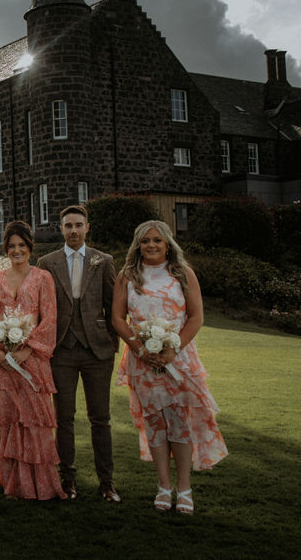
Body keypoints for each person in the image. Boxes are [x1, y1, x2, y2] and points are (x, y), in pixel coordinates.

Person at [113, 220, 227, 515]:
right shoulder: (127, 275)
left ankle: (185, 489)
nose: (151, 245)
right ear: (137, 245)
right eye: (145, 241)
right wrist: (140, 349)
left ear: (167, 244)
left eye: (157, 241)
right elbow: (117, 318)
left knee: (180, 424)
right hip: (142, 362)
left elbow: (196, 317)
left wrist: (172, 350)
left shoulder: (182, 274)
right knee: (155, 425)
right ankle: (164, 487)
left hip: (179, 360)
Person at [36, 205, 122, 502]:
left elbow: (114, 307)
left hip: (98, 351)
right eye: (68, 225)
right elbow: (41, 308)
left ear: (87, 228)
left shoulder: (103, 260)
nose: (73, 230)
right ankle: (68, 480)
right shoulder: (47, 262)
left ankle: (107, 483)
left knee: (101, 419)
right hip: (62, 351)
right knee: (64, 418)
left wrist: (111, 343)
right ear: (61, 229)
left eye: (78, 225)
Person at [0, 221, 65, 500]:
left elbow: (50, 318)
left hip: (33, 362)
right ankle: (11, 482)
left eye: (22, 246)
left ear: (30, 248)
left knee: (33, 422)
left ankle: (39, 484)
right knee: (9, 421)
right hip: (2, 364)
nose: (17, 250)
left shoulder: (42, 278)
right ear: (6, 249)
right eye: (12, 246)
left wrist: (28, 350)